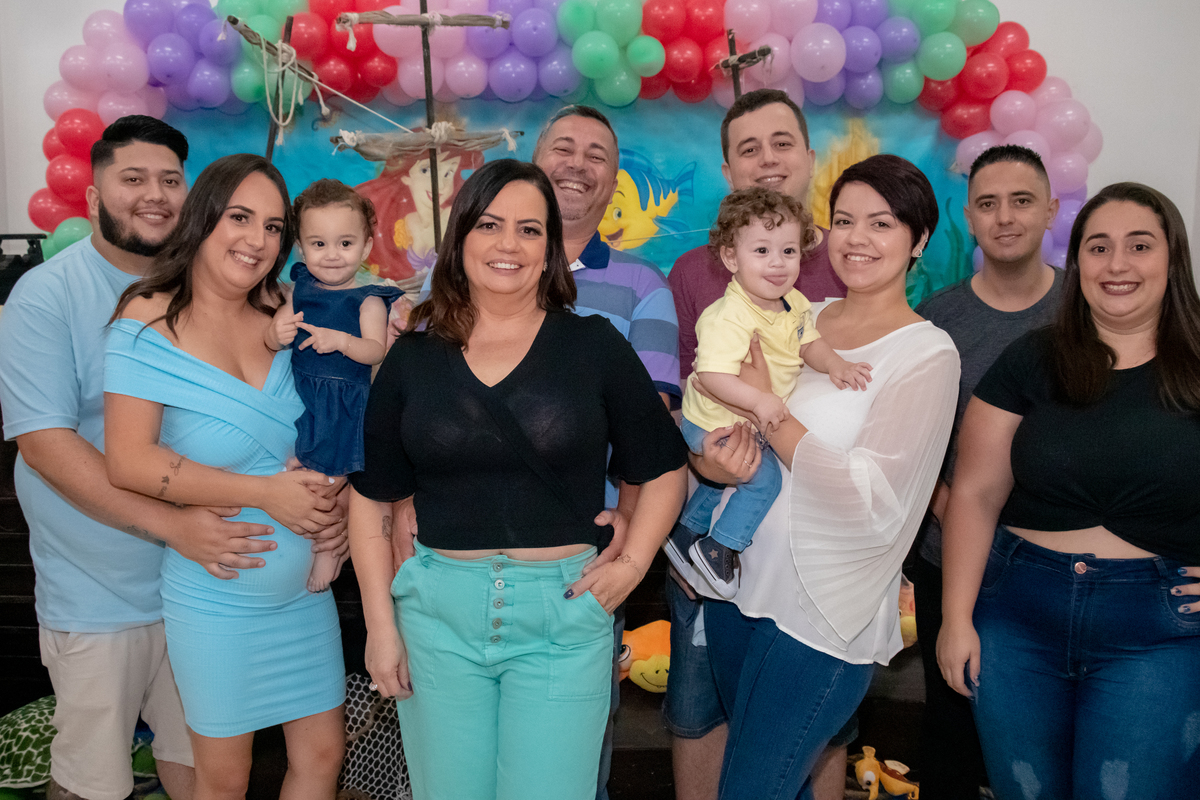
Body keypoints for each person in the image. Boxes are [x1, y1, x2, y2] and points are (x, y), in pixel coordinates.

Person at [347, 158, 688, 800]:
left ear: (550, 247)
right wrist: (380, 627)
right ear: (460, 238)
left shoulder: (594, 346)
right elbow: (372, 499)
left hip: (564, 618)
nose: (509, 244)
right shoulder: (411, 357)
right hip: (436, 620)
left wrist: (633, 563)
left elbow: (666, 467)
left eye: (529, 230)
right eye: (490, 224)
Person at [0, 116, 287, 800]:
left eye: (169, 180)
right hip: (98, 594)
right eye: (133, 179)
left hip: (204, 582)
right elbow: (44, 445)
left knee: (203, 767)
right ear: (93, 196)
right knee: (92, 779)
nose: (154, 195)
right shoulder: (47, 295)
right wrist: (175, 525)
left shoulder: (213, 286)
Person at [688, 154, 959, 799]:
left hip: (821, 618)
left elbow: (871, 500)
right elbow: (716, 429)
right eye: (843, 220)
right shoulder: (795, 313)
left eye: (881, 223)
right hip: (737, 592)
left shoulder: (926, 353)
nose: (857, 238)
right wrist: (711, 459)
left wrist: (770, 410)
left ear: (919, 239)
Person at [936, 182, 1200, 799]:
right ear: (1077, 260)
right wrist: (955, 618)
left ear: (1172, 258)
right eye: (1098, 247)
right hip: (1015, 618)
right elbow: (974, 493)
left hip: (1159, 631)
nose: (1117, 264)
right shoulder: (1031, 357)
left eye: (1140, 245)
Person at [103, 153, 348, 800]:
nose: (257, 240)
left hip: (307, 589)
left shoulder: (291, 312)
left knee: (324, 756)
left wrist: (342, 502)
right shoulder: (147, 319)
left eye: (273, 227)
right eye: (240, 217)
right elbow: (128, 460)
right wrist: (264, 494)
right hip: (218, 594)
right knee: (223, 778)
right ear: (204, 217)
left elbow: (340, 418)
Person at [664, 88, 849, 800]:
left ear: (810, 156)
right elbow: (688, 396)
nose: (767, 159)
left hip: (819, 543)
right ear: (727, 170)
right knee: (700, 706)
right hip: (722, 507)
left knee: (818, 722)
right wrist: (705, 467)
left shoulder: (849, 264)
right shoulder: (693, 273)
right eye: (749, 148)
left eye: (781, 143)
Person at [910, 144, 1063, 799]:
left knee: (1044, 742)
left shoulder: (1088, 308)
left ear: (1050, 210)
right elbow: (911, 444)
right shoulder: (937, 321)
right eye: (988, 204)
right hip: (950, 559)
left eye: (1021, 201)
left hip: (1059, 566)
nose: (1005, 218)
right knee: (954, 733)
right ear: (968, 217)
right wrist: (951, 507)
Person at [670, 187, 870, 597]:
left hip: (739, 416)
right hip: (710, 421)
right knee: (763, 480)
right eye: (761, 251)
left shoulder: (792, 302)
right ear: (731, 258)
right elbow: (710, 375)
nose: (778, 263)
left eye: (788, 251)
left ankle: (685, 532)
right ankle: (718, 547)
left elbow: (809, 342)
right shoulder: (729, 316)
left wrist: (836, 364)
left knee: (724, 477)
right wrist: (760, 400)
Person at [266, 178, 403, 591]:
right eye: (319, 244)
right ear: (301, 248)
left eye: (345, 243)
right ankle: (308, 541)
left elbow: (374, 351)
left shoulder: (368, 299)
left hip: (343, 399)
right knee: (300, 464)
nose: (331, 255)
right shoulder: (301, 287)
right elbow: (277, 328)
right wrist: (276, 332)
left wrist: (341, 341)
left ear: (365, 247)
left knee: (328, 476)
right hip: (302, 392)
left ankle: (329, 549)